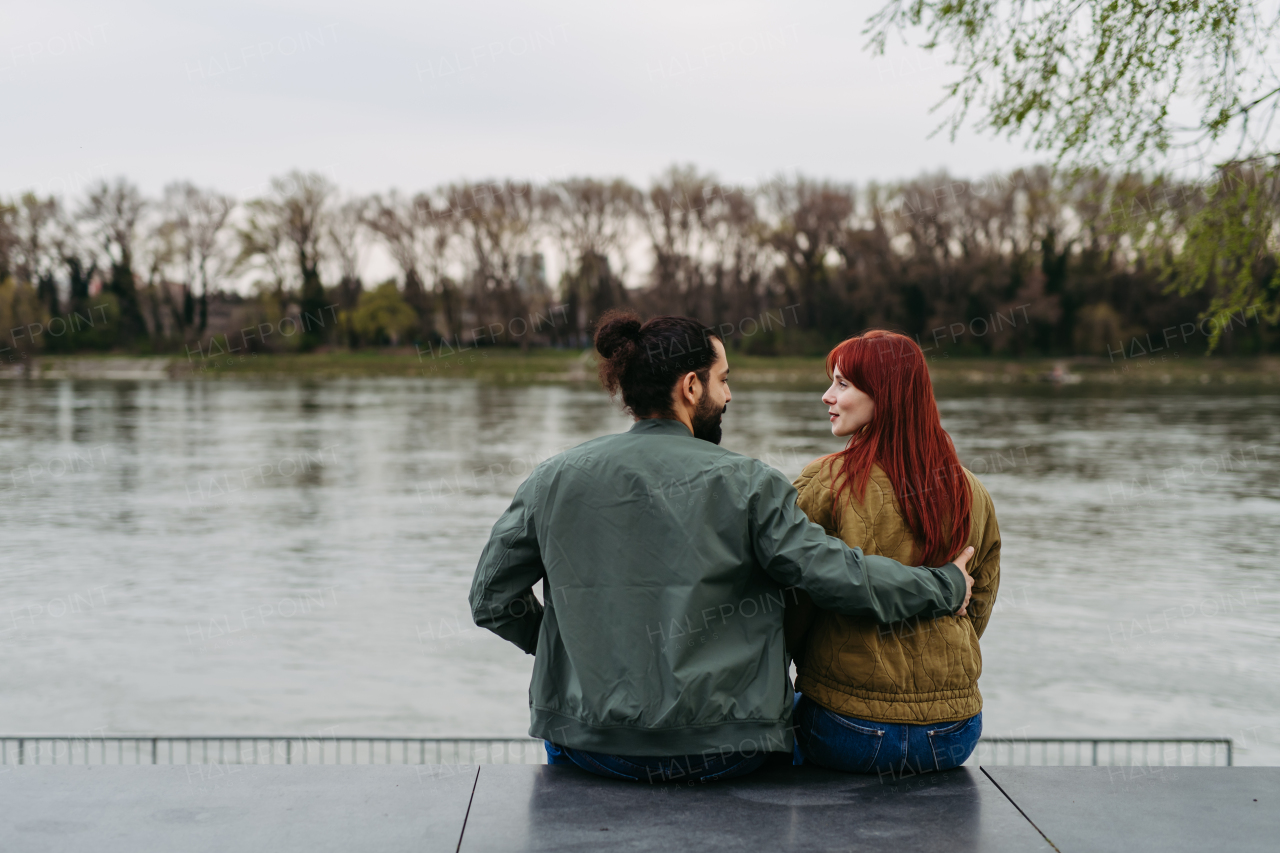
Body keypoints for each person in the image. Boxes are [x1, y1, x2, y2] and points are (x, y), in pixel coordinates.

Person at [469, 312, 975, 785]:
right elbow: (837, 575)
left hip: (587, 745)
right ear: (691, 386)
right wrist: (943, 584)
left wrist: (576, 653)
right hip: (727, 752)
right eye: (724, 379)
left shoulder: (553, 478)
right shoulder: (749, 483)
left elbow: (491, 599)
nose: (729, 395)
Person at [785, 330, 1001, 778]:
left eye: (843, 384)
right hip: (954, 730)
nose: (828, 396)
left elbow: (791, 602)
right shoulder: (971, 490)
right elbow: (978, 603)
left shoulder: (826, 483)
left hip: (848, 727)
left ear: (883, 395)